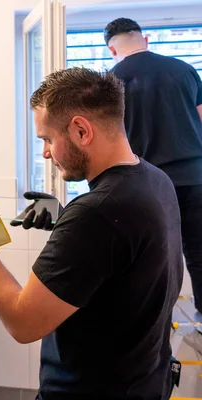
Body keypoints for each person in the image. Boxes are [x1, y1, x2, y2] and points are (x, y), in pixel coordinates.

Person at [0, 68, 183, 399]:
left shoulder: (96, 214)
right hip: (145, 381)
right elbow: (128, 261)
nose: (46, 153)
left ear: (81, 130)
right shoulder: (154, 180)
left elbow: (23, 323)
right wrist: (64, 219)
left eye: (47, 139)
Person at [103, 17, 202, 312]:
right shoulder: (184, 70)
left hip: (147, 183)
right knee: (198, 251)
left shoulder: (110, 81)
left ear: (111, 49)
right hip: (195, 178)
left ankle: (155, 322)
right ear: (144, 40)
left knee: (153, 256)